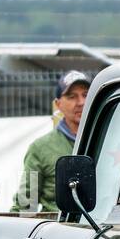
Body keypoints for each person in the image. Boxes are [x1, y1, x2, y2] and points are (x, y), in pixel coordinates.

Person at [13, 70, 90, 212]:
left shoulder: (114, 139)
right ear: (58, 104)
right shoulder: (40, 148)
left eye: (86, 95)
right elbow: (25, 206)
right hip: (60, 230)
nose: (81, 102)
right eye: (72, 96)